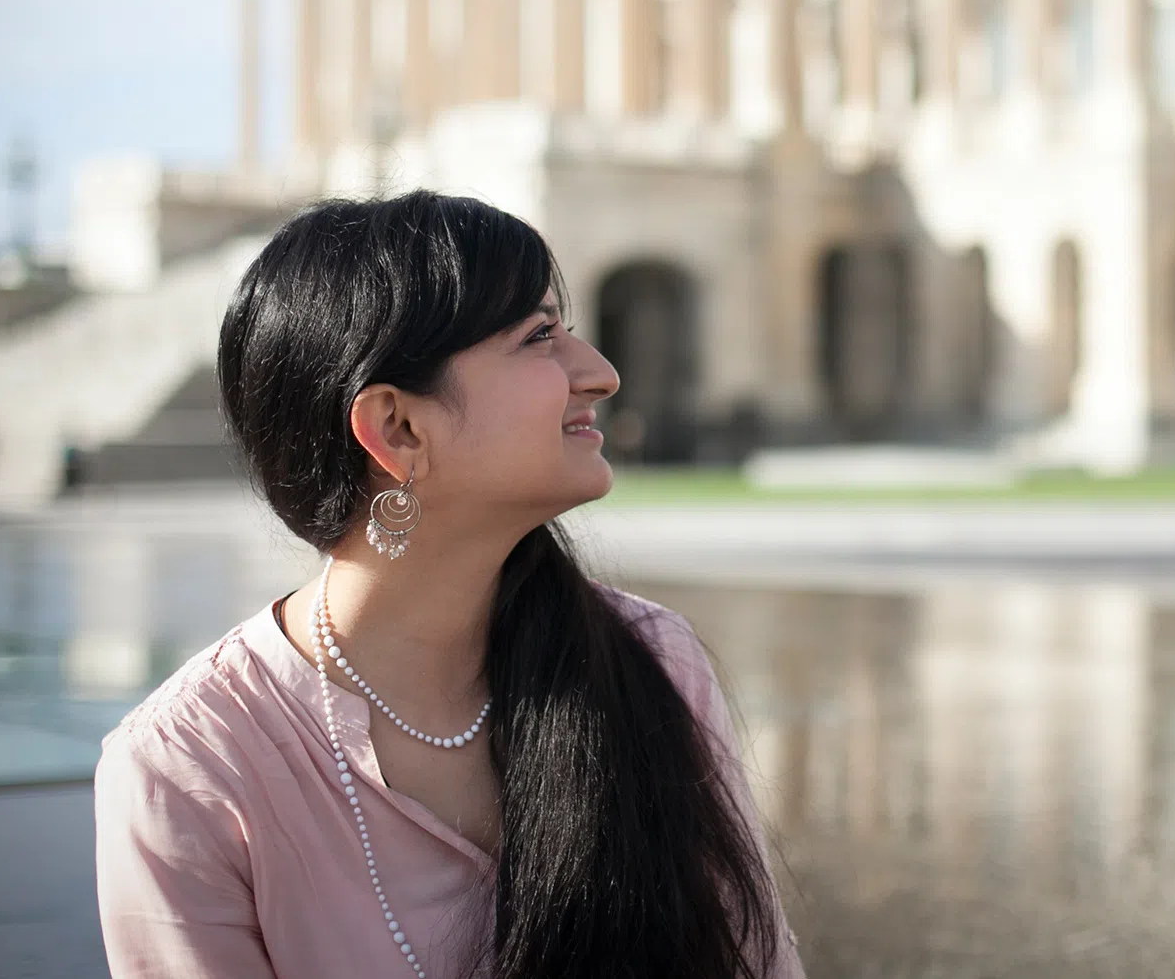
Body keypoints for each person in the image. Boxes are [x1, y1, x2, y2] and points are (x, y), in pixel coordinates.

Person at [94, 190, 801, 979]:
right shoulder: (192, 769)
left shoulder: (654, 661)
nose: (600, 374)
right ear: (397, 429)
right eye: (539, 337)